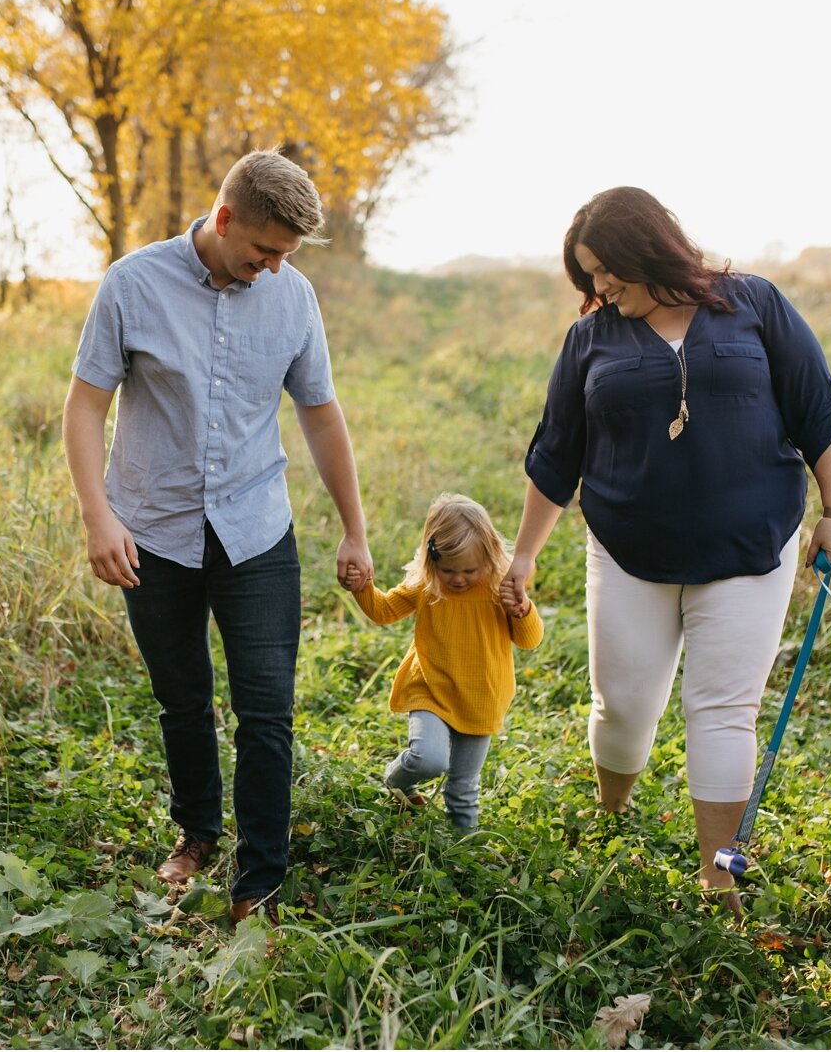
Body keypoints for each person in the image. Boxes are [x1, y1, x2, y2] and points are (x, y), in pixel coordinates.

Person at [498, 186, 831, 908]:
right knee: (623, 705)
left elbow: (817, 406)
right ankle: (611, 812)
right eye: (588, 274)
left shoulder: (753, 303)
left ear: (646, 249)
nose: (597, 286)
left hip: (752, 546)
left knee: (722, 709)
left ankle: (718, 878)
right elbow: (556, 455)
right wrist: (525, 554)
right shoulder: (590, 338)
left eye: (604, 268)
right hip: (629, 548)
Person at [63, 151, 372, 924]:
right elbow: (83, 406)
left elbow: (321, 414)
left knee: (266, 711)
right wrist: (98, 515)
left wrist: (354, 528)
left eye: (285, 257)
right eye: (261, 252)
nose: (271, 270)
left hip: (256, 528)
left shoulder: (293, 296)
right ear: (224, 218)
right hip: (152, 530)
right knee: (183, 699)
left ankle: (258, 879)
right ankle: (197, 831)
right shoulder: (132, 284)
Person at [341, 493, 545, 832]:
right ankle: (397, 782)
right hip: (431, 689)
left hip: (481, 699)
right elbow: (384, 610)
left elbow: (530, 640)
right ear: (432, 560)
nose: (459, 579)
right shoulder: (426, 585)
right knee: (428, 759)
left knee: (463, 789)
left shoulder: (500, 588)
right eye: (448, 570)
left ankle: (463, 855)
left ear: (490, 557)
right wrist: (362, 586)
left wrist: (521, 610)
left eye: (469, 570)